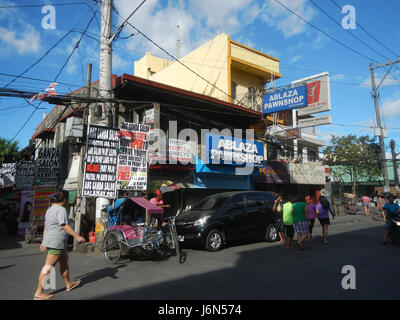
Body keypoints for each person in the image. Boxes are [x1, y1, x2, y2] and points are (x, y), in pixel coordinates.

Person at [33, 191, 85, 300]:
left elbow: (46, 227)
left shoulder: (49, 210)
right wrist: (77, 236)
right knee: (48, 267)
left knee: (64, 262)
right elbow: (64, 225)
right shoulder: (61, 210)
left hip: (57, 242)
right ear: (64, 200)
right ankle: (39, 292)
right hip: (56, 242)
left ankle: (68, 283)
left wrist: (44, 241)